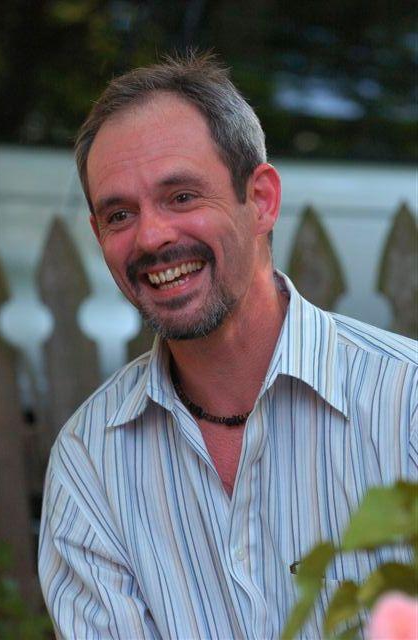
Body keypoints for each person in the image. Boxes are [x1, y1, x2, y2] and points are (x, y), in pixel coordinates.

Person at [38, 52, 417, 639]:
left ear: (261, 199)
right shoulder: (90, 465)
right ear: (98, 236)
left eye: (182, 196)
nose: (152, 236)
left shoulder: (406, 403)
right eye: (119, 214)